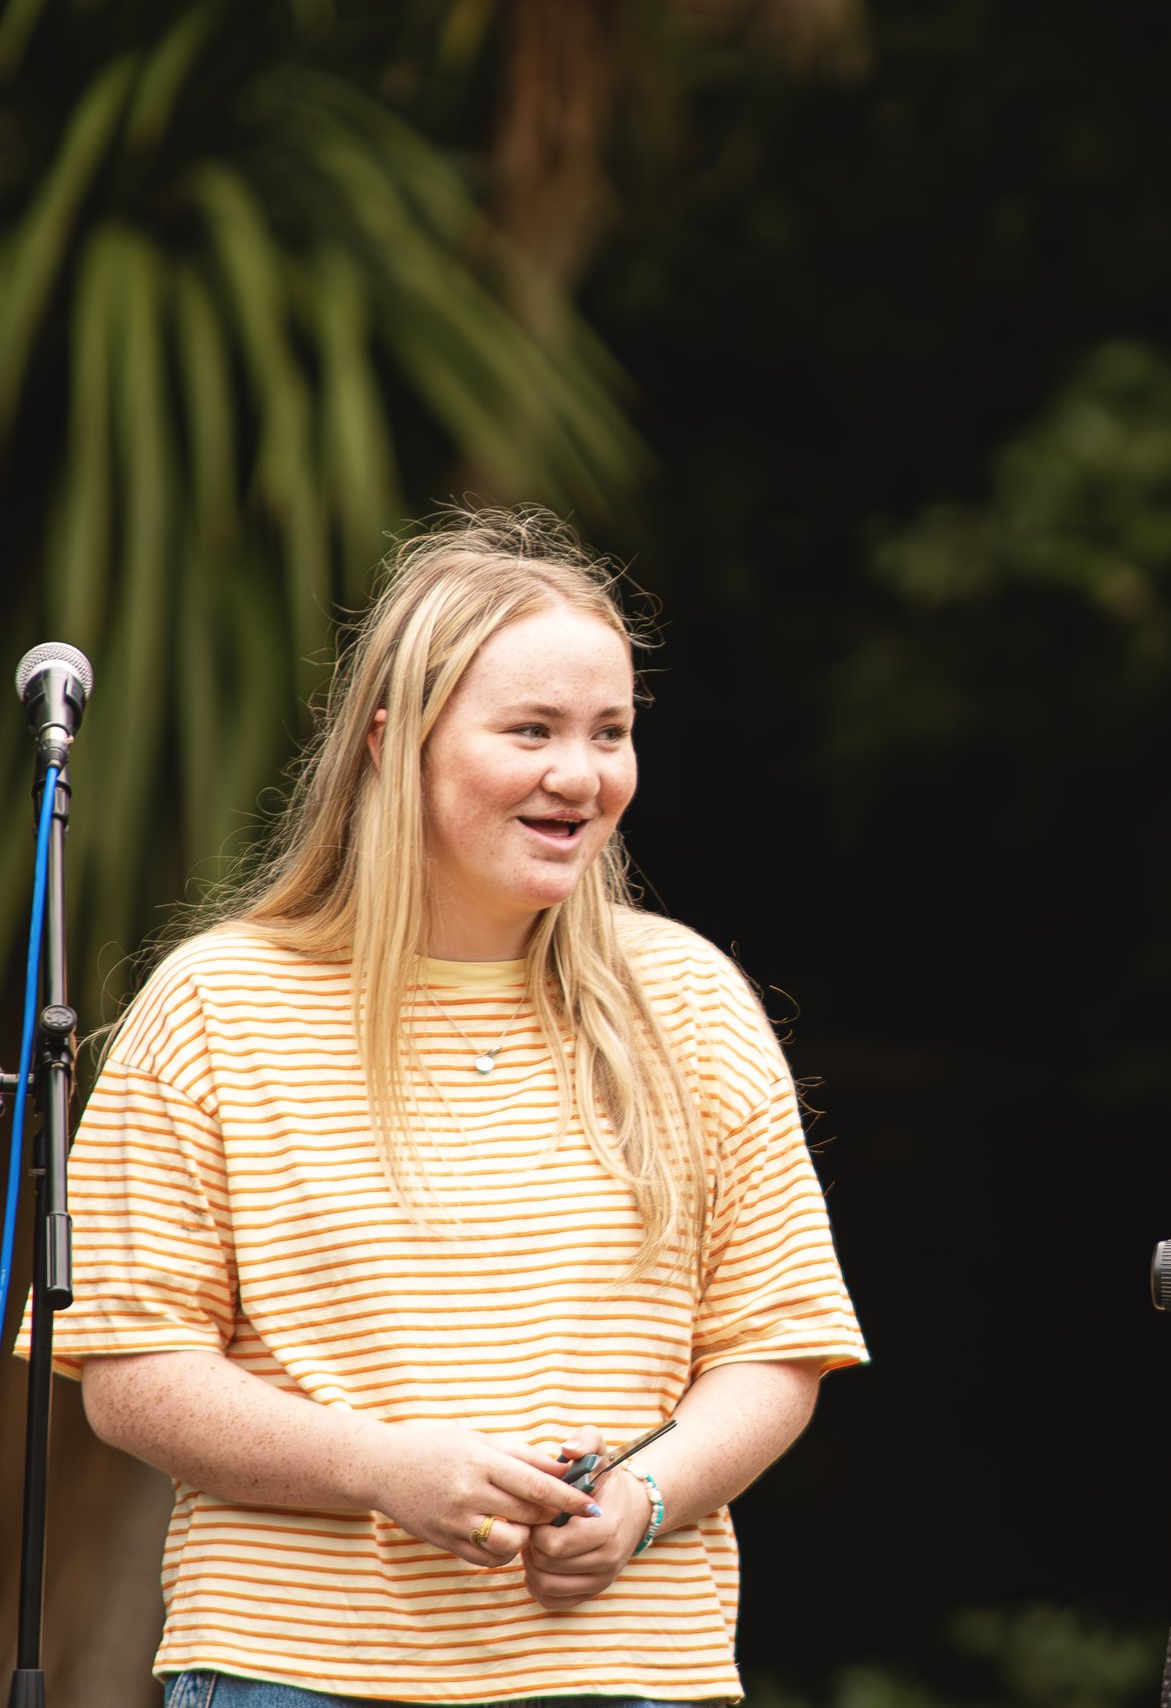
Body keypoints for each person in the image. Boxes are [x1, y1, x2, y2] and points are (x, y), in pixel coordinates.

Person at [33, 509, 866, 1704]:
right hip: (293, 1674)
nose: (580, 774)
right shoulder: (218, 1000)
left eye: (610, 731)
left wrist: (645, 1497)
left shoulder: (687, 998)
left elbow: (773, 1344)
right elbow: (134, 1366)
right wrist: (382, 1469)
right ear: (394, 739)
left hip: (629, 1673)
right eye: (530, 728)